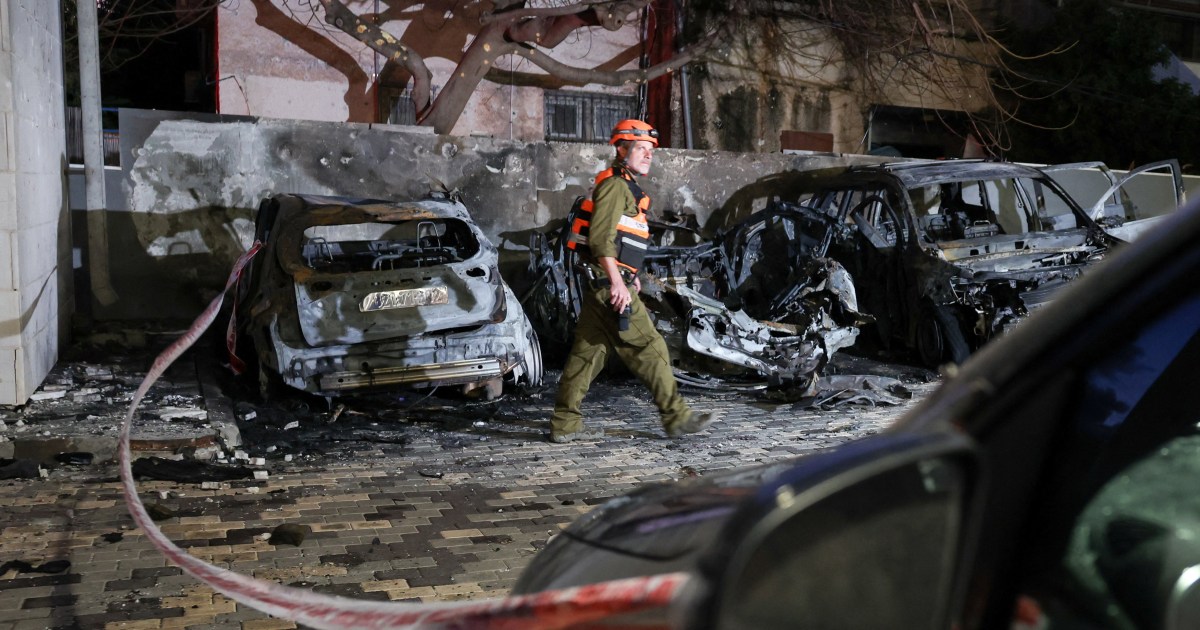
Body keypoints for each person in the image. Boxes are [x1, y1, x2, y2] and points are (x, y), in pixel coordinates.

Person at [549, 119, 714, 443]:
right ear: (622, 150)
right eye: (641, 148)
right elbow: (600, 240)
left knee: (586, 355)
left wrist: (630, 276)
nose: (648, 155)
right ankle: (676, 417)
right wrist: (617, 282)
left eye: (651, 150)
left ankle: (564, 424)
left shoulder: (625, 187)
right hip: (607, 285)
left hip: (603, 282)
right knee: (651, 346)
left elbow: (622, 240)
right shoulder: (615, 187)